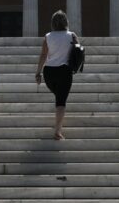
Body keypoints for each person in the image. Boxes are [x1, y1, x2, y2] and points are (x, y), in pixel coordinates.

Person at [35, 10, 79, 140]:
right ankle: (58, 132)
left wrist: (38, 72)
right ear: (66, 22)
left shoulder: (48, 36)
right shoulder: (71, 35)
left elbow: (43, 55)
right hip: (64, 71)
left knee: (59, 97)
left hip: (49, 71)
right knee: (61, 102)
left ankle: (58, 123)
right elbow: (79, 50)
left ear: (52, 23)